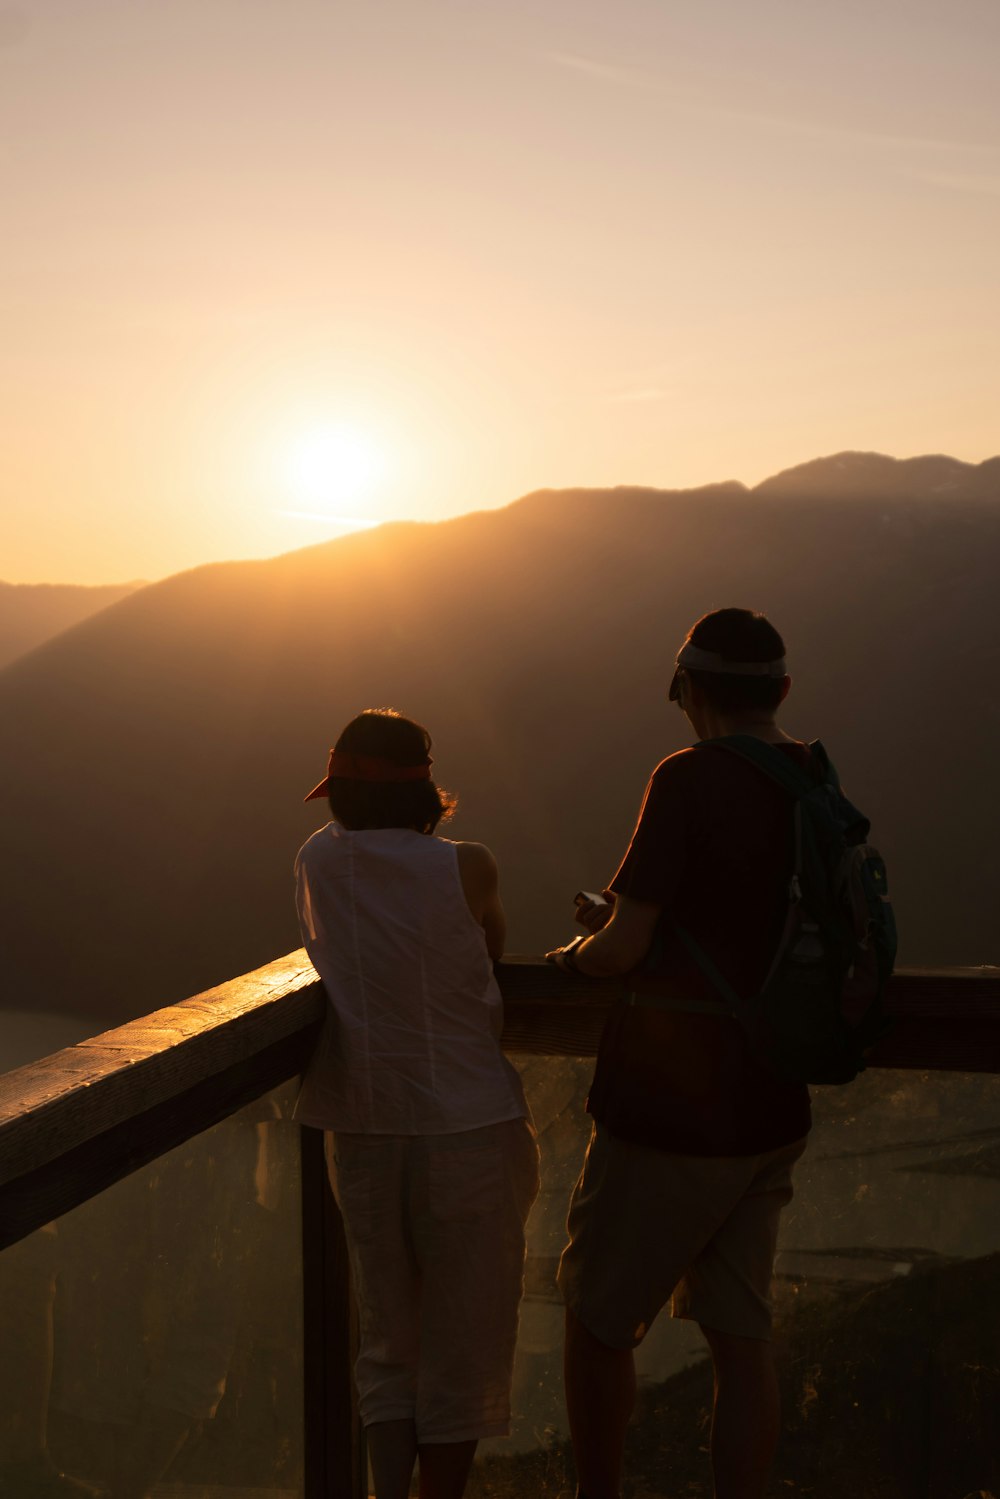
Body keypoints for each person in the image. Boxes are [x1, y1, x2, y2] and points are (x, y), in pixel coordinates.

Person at [548, 608, 813, 1499]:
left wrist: (584, 951)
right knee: (742, 1339)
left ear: (688, 690)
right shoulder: (811, 775)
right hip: (775, 1099)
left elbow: (623, 950)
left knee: (597, 1319)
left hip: (672, 1108)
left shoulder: (690, 776)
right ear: (780, 690)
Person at [293, 709, 539, 1499]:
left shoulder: (317, 861)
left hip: (363, 1121)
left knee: (389, 1339)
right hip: (467, 1123)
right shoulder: (470, 866)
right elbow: (489, 951)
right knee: (463, 1340)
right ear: (426, 789)